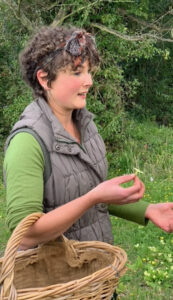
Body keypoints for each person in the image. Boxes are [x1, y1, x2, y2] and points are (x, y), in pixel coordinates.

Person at [3, 26, 173, 299]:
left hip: (96, 279)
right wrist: (93, 197)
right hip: (56, 287)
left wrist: (147, 209)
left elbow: (89, 191)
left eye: (89, 71)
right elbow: (26, 235)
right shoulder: (27, 142)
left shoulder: (84, 124)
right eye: (77, 72)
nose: (89, 81)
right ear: (45, 79)